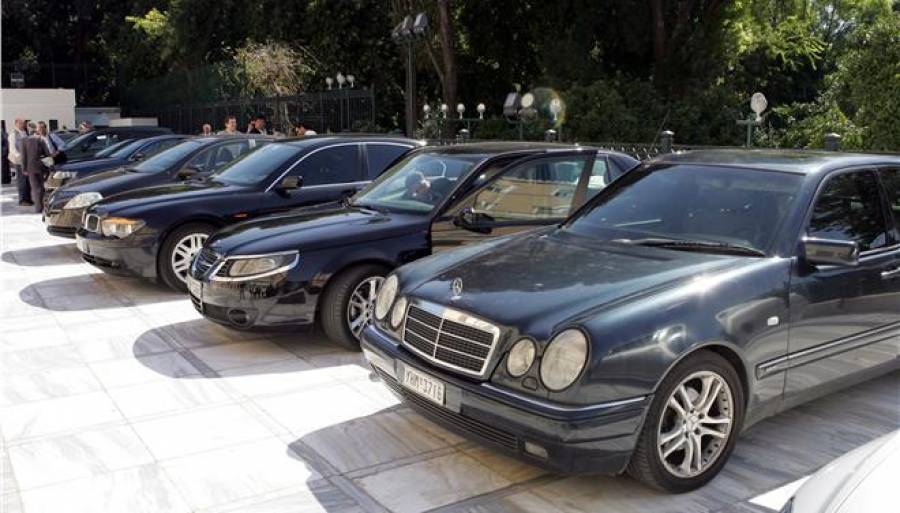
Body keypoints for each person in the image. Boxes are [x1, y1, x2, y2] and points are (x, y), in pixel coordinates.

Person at [19, 131, 51, 213]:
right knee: (41, 187)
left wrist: (24, 169)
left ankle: (38, 208)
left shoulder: (24, 141)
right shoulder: (41, 140)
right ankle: (42, 207)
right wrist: (49, 166)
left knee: (35, 187)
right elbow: (47, 154)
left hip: (30, 168)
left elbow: (23, 157)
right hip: (41, 166)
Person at [7, 118, 30, 206]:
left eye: (23, 123)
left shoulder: (24, 132)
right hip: (18, 160)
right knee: (22, 180)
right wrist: (20, 156)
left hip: (26, 159)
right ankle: (22, 200)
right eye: (21, 123)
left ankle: (28, 199)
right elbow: (12, 149)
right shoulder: (13, 134)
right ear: (16, 124)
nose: (23, 125)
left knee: (27, 179)